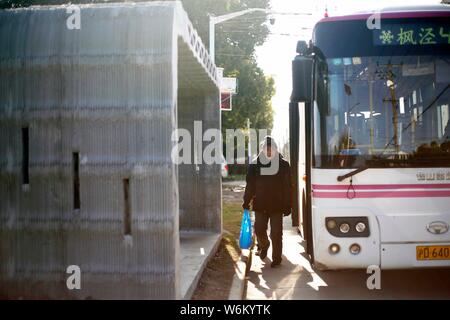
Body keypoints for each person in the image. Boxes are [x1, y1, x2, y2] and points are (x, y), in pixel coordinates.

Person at [242, 136, 292, 268]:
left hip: (277, 206)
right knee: (259, 230)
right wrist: (246, 201)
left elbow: (288, 187)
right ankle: (264, 245)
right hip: (260, 205)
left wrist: (288, 205)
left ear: (276, 149)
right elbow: (250, 185)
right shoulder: (254, 165)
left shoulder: (284, 165)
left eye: (271, 149)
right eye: (266, 149)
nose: (269, 151)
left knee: (276, 233)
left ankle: (277, 258)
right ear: (262, 150)